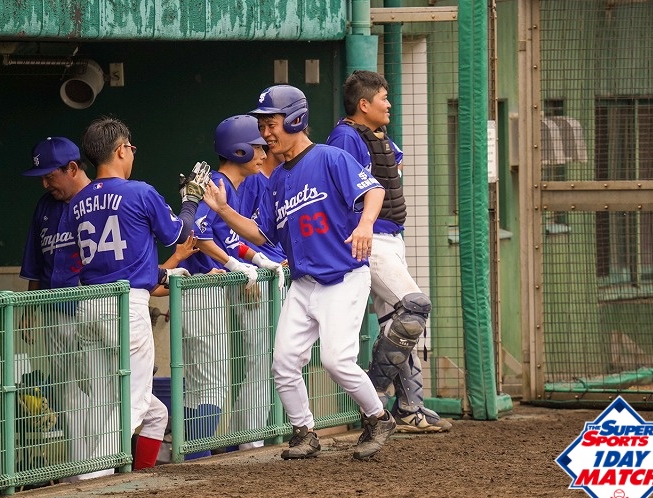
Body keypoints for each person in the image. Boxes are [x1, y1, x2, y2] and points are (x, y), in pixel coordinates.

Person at [202, 85, 397, 461]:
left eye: (271, 123)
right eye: (262, 125)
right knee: (284, 363)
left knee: (337, 361)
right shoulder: (276, 178)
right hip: (304, 282)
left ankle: (379, 418)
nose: (266, 133)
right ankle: (304, 432)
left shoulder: (329, 157)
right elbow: (261, 234)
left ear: (295, 119)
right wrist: (223, 210)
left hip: (344, 276)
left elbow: (373, 191)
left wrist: (365, 224)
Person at [65, 116, 208, 470]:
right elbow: (179, 233)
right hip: (125, 307)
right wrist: (191, 200)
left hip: (89, 303)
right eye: (130, 147)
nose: (132, 153)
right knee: (134, 402)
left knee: (108, 402)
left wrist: (162, 271)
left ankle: (97, 474)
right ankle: (95, 475)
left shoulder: (77, 201)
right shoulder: (140, 191)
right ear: (119, 150)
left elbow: (109, 258)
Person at [326, 70, 452, 433]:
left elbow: (392, 162)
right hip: (370, 239)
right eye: (383, 98)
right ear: (364, 104)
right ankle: (373, 396)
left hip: (391, 236)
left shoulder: (374, 134)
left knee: (397, 326)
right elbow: (341, 190)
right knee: (414, 308)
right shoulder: (345, 137)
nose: (390, 104)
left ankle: (411, 407)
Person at [178, 114, 284, 457]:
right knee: (209, 381)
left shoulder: (237, 187)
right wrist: (237, 264)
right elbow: (197, 235)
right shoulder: (215, 183)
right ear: (239, 150)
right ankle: (196, 456)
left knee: (207, 381)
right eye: (258, 147)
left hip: (213, 285)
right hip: (198, 285)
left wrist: (255, 259)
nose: (264, 154)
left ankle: (199, 453)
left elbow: (233, 241)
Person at [18, 136, 114, 481]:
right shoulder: (45, 206)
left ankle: (99, 467)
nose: (45, 184)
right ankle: (78, 471)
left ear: (72, 168)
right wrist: (30, 307)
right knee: (67, 392)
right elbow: (35, 262)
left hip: (95, 309)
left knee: (101, 390)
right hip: (54, 310)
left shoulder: (101, 200)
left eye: (50, 176)